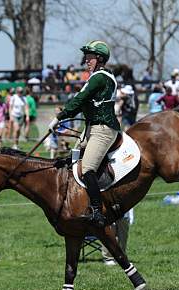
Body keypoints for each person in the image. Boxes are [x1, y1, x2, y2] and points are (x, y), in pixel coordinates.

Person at [49, 40, 119, 227]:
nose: (86, 60)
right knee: (73, 159)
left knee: (87, 168)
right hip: (91, 128)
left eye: (89, 57)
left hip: (103, 129)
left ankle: (97, 211)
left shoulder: (99, 77)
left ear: (100, 58)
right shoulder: (97, 77)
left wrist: (60, 117)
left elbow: (79, 99)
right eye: (86, 57)